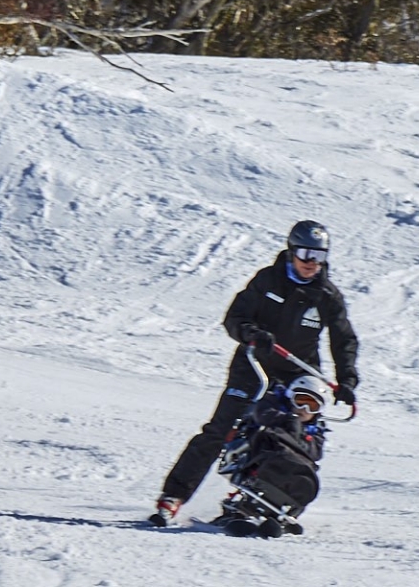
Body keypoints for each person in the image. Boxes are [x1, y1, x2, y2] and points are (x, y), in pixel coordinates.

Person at [150, 220, 359, 526]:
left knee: (294, 436)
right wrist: (251, 333)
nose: (311, 263)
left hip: (297, 373)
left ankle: (267, 498)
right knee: (223, 429)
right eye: (304, 254)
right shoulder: (268, 280)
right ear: (291, 252)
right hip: (254, 365)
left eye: (319, 256)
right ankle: (173, 497)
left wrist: (347, 380)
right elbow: (235, 317)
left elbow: (343, 339)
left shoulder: (326, 295)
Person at [215, 374, 329, 537]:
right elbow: (262, 414)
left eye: (312, 406)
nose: (305, 410)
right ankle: (240, 511)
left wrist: (299, 436)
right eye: (301, 401)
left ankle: (280, 514)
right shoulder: (272, 406)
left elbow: (316, 452)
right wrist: (288, 421)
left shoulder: (315, 431)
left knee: (307, 469)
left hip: (289, 472)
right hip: (258, 458)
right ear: (290, 398)